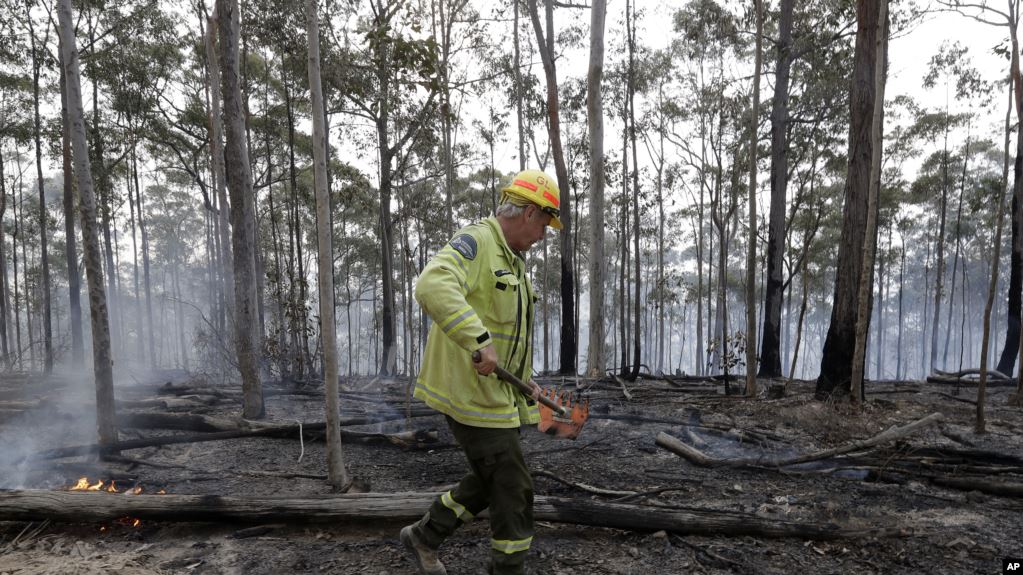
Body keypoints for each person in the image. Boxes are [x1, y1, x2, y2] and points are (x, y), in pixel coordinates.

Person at [400, 169, 562, 575]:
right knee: (513, 487)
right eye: (544, 222)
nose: (544, 234)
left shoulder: (515, 263)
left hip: (496, 396)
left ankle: (424, 536)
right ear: (528, 212)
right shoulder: (477, 242)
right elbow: (431, 284)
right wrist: (477, 338)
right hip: (468, 396)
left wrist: (525, 382)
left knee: (490, 480)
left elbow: (508, 335)